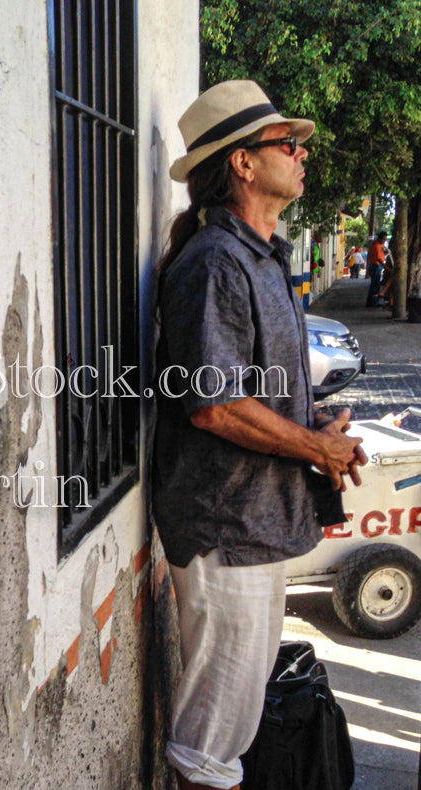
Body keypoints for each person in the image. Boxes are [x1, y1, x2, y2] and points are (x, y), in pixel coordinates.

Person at [154, 80, 366, 790]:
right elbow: (213, 406)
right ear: (243, 164)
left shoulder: (264, 258)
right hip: (226, 529)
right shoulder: (216, 261)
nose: (302, 154)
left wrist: (317, 430)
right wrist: (315, 448)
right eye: (288, 144)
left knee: (233, 727)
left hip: (259, 523)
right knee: (210, 744)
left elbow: (255, 394)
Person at [366, 232, 390, 306]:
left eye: (385, 239)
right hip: (376, 265)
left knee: (374, 284)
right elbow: (379, 259)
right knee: (375, 284)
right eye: (384, 239)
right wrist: (386, 267)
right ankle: (374, 302)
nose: (384, 241)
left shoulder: (378, 245)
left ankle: (371, 301)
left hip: (375, 265)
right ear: (380, 238)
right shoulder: (377, 246)